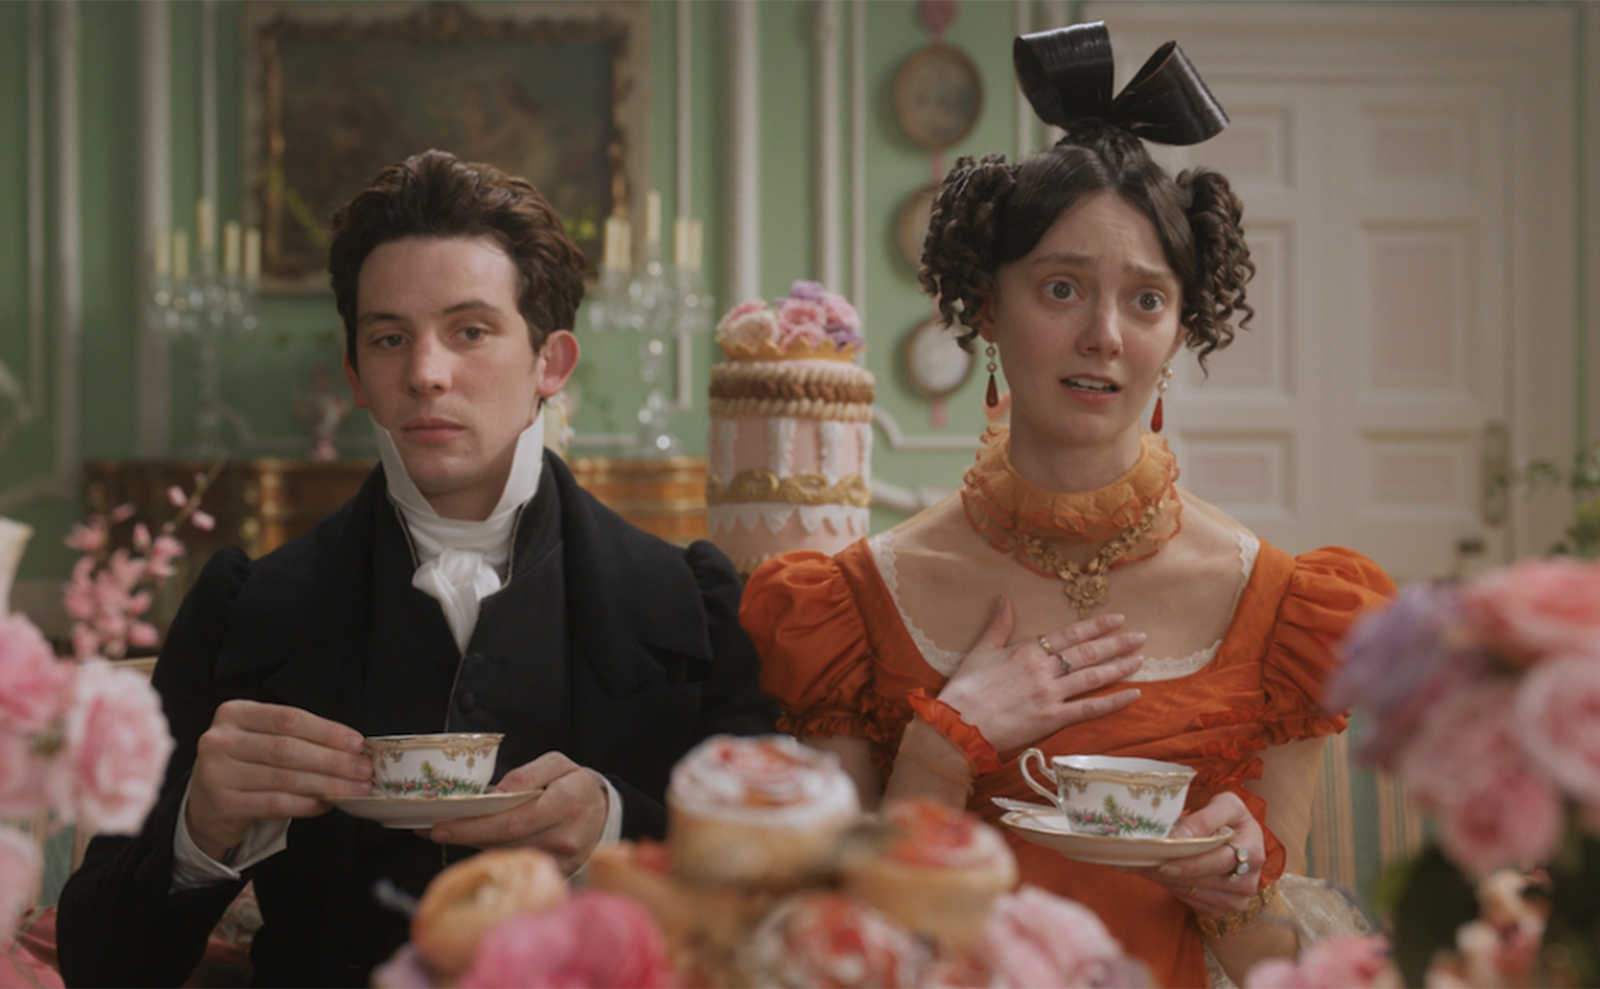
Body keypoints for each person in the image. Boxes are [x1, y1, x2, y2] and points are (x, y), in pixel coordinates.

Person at [740, 24, 1393, 989]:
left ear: (1179, 330)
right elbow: (840, 936)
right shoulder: (849, 602)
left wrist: (1238, 894)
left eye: (1144, 300)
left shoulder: (1288, 607)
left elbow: (1268, 963)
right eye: (1061, 288)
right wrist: (940, 747)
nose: (1102, 336)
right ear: (988, 310)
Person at [57, 149, 778, 988]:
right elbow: (97, 966)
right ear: (358, 375)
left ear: (552, 363)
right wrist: (199, 826)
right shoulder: (242, 608)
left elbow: (778, 913)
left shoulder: (692, 603)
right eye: (390, 337)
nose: (426, 372)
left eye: (470, 330)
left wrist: (618, 827)